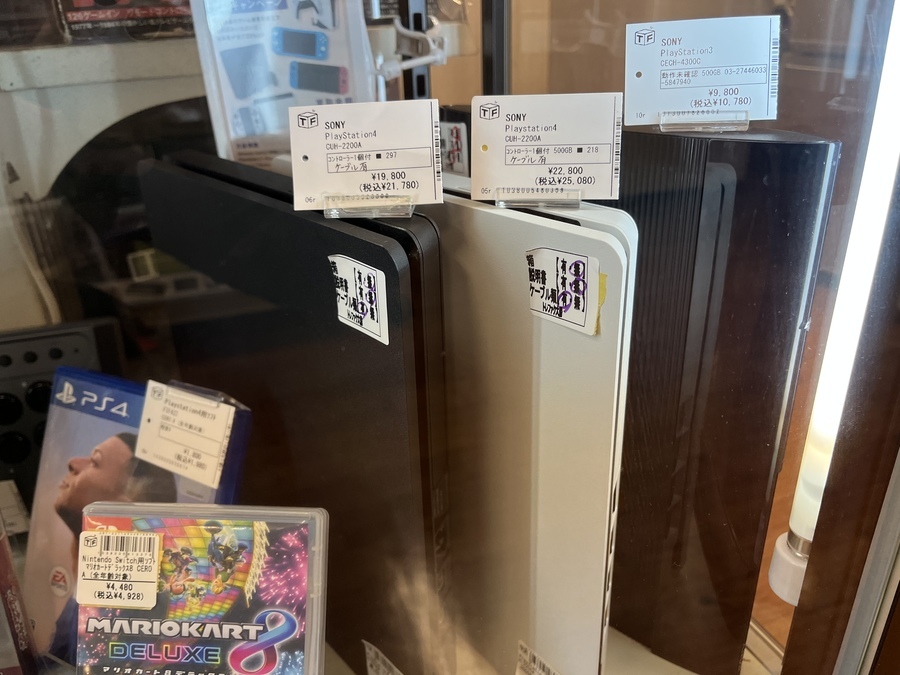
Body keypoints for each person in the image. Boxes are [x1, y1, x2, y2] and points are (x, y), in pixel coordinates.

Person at [48, 432, 178, 664]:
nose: (74, 463)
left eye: (95, 462)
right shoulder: (88, 593)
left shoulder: (124, 612)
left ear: (124, 507)